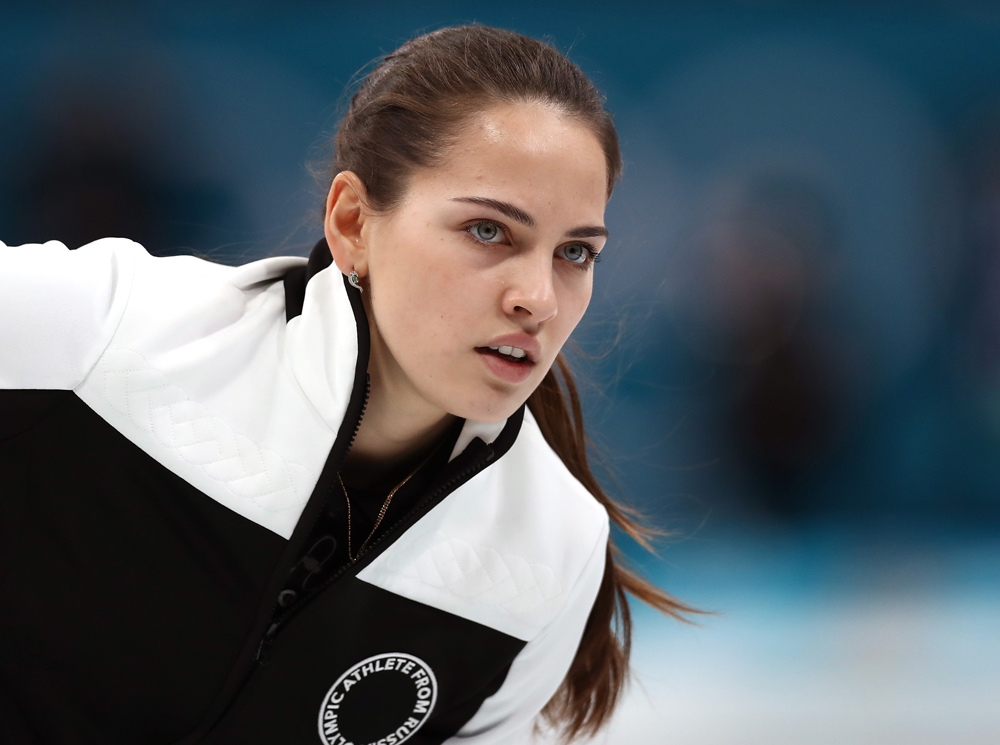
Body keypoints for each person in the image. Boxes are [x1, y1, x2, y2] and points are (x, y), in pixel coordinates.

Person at [0, 25, 693, 745]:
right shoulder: (108, 332)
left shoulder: (555, 550)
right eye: (488, 231)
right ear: (353, 222)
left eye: (574, 252)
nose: (539, 299)